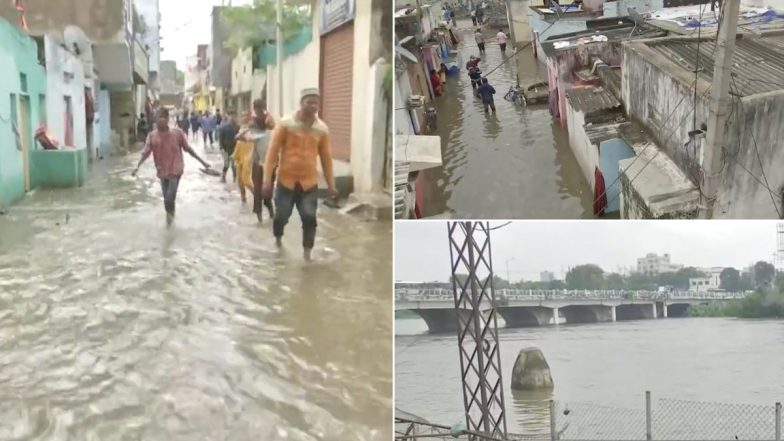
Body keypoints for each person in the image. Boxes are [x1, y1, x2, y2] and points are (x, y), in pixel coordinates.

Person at [262, 88, 337, 262]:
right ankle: (278, 240)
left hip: (309, 183)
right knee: (281, 216)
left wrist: (332, 185)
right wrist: (267, 180)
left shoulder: (321, 129)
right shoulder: (286, 124)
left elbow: (326, 160)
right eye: (309, 102)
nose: (313, 106)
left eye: (316, 103)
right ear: (301, 103)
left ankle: (307, 255)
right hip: (285, 181)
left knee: (310, 218)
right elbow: (272, 154)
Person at [131, 108, 211, 225]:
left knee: (169, 198)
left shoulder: (177, 133)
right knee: (167, 202)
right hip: (162, 172)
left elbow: (188, 149)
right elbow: (146, 153)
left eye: (161, 119)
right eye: (157, 119)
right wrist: (137, 166)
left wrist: (203, 162)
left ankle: (170, 223)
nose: (158, 122)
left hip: (176, 170)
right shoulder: (152, 136)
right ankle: (170, 222)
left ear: (167, 119)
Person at [249, 99, 276, 223]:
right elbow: (244, 137)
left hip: (269, 163)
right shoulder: (253, 123)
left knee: (266, 191)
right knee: (258, 192)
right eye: (256, 109)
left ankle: (270, 212)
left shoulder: (269, 122)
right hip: (259, 162)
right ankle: (262, 218)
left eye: (260, 108)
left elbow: (273, 126)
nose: (258, 111)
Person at [233, 112, 255, 204]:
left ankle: (257, 196)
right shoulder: (241, 127)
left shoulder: (253, 129)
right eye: (242, 116)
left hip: (248, 155)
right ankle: (243, 199)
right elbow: (238, 141)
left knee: (246, 180)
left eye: (245, 116)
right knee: (239, 181)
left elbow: (243, 139)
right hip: (239, 155)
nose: (243, 118)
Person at [217, 110, 239, 183]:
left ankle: (235, 179)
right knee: (226, 164)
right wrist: (221, 148)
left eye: (233, 116)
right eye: (230, 116)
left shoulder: (237, 127)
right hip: (225, 149)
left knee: (234, 165)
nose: (232, 118)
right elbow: (220, 138)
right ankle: (223, 177)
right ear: (227, 116)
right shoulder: (223, 127)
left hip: (235, 149)